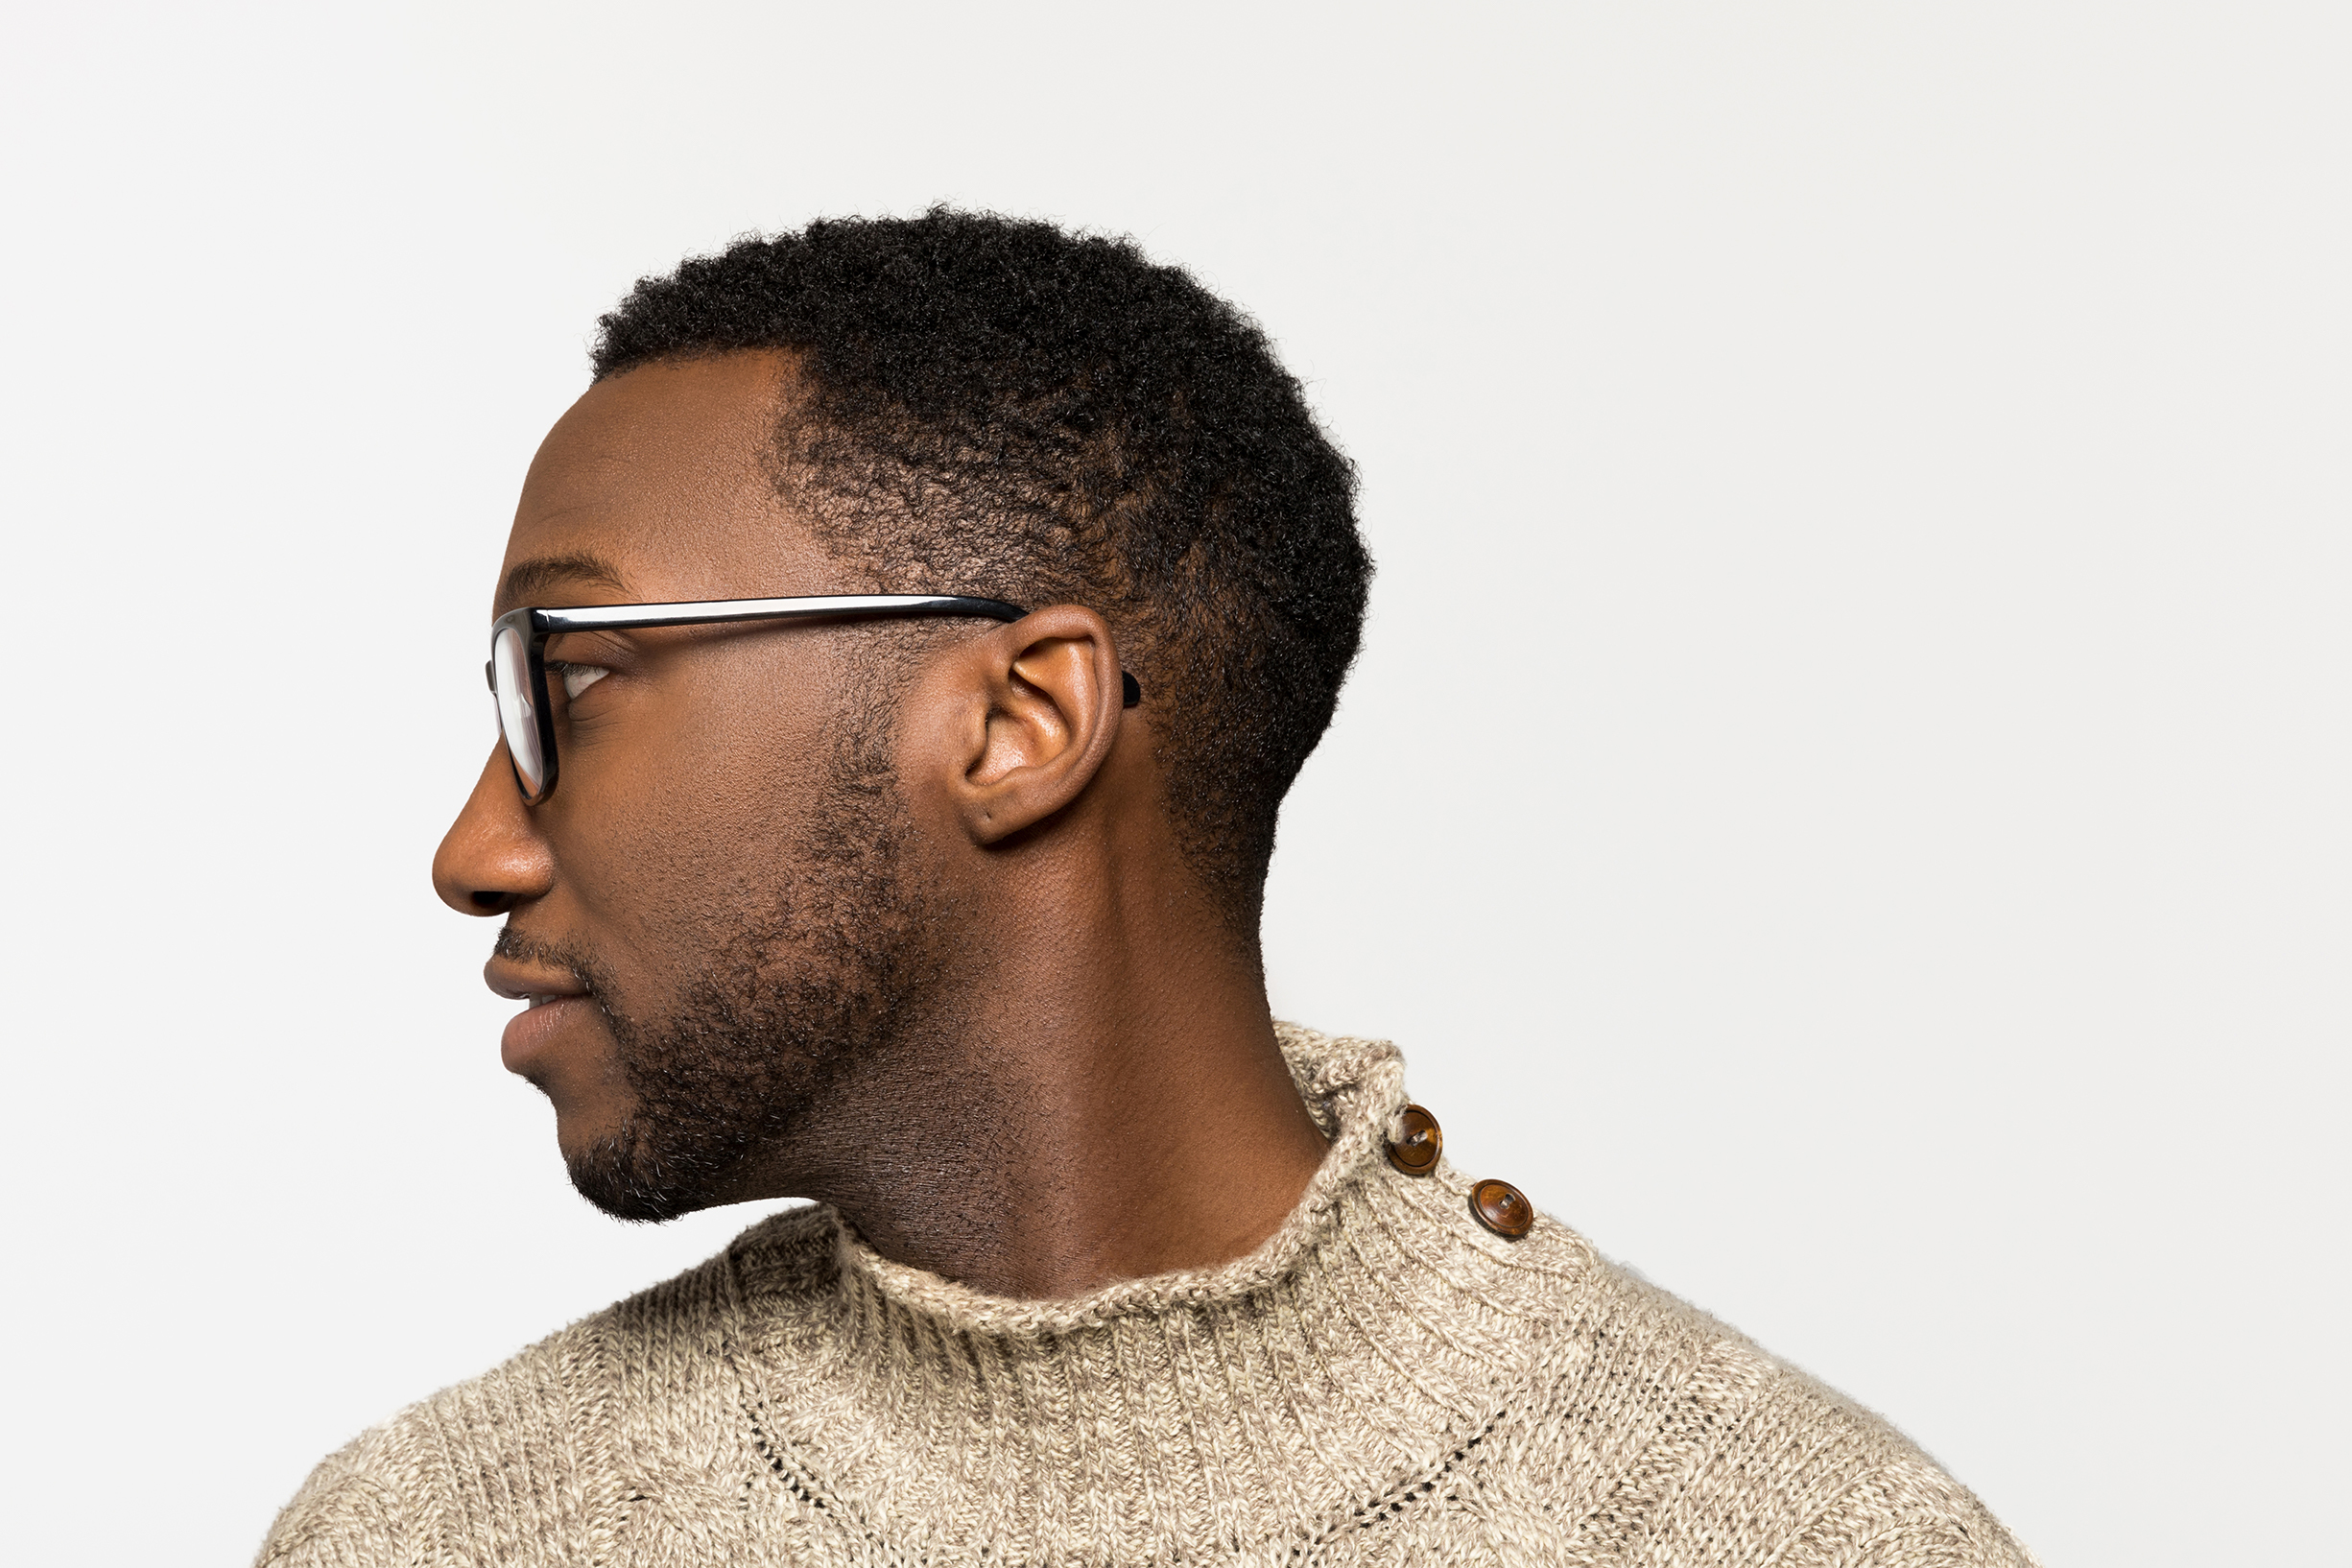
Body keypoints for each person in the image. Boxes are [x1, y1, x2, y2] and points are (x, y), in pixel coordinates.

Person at [258, 209, 2033, 1567]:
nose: (475, 850)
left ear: (1019, 721)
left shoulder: (1793, 1535)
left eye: (568, 683)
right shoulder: (439, 1535)